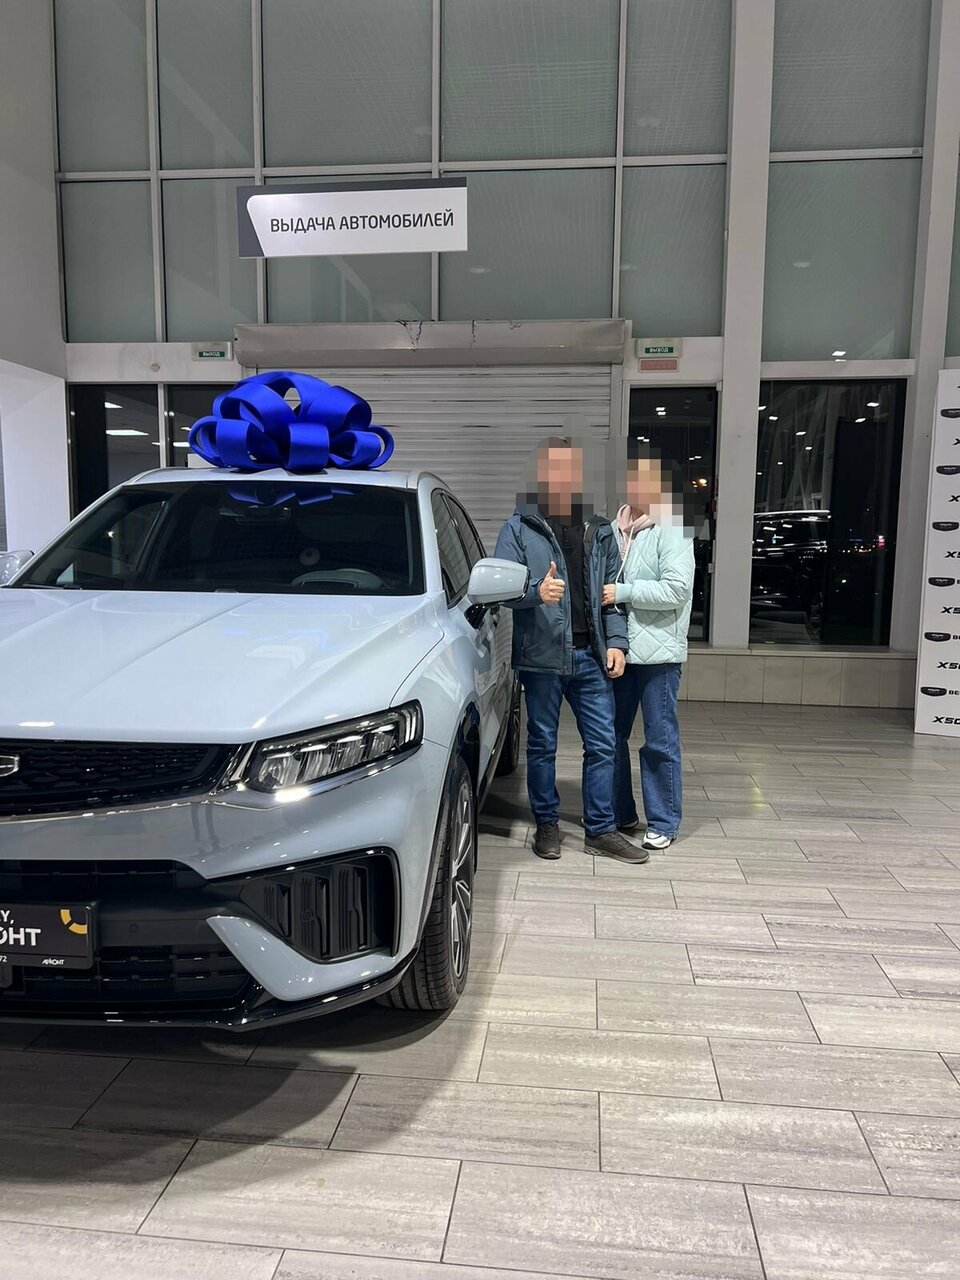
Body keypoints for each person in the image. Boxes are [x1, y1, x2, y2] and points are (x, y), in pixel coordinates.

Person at [495, 438, 647, 865]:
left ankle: (600, 829)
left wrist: (617, 643)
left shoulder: (599, 530)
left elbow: (612, 598)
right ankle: (547, 824)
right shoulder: (519, 528)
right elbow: (501, 588)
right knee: (542, 744)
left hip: (590, 656)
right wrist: (534, 591)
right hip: (541, 658)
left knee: (603, 744)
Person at [602, 446, 695, 852]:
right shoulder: (613, 528)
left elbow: (677, 590)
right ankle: (620, 812)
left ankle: (664, 821)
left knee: (659, 739)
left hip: (659, 656)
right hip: (620, 651)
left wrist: (623, 591)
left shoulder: (673, 527)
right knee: (610, 735)